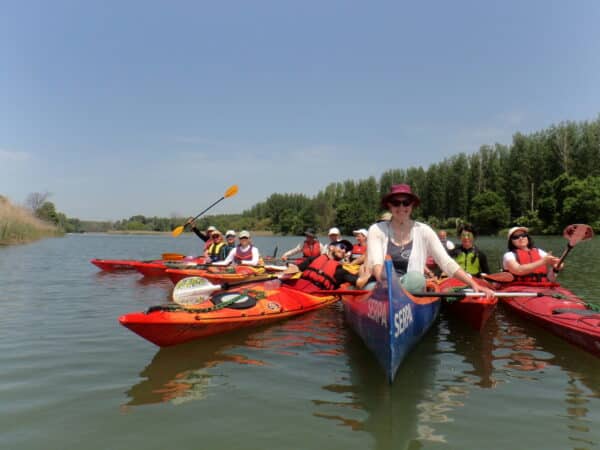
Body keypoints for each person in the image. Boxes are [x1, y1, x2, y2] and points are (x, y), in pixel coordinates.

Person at [367, 184, 493, 296]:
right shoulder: (376, 229)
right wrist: (389, 286)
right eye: (395, 202)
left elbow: (446, 262)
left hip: (412, 286)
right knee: (371, 287)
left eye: (406, 202)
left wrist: (473, 284)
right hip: (382, 285)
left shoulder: (424, 230)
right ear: (389, 205)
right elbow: (377, 265)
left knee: (417, 279)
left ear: (412, 205)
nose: (401, 207)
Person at [284, 240, 371, 293]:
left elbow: (360, 283)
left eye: (346, 250)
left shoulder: (340, 271)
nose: (344, 250)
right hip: (295, 289)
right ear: (331, 247)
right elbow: (295, 269)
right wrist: (282, 275)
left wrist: (369, 271)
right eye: (342, 246)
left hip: (314, 296)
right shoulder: (313, 259)